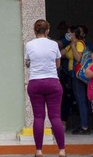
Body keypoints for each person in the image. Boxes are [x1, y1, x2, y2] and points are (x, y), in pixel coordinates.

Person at [24, 19, 66, 157]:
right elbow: (58, 63)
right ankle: (61, 150)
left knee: (38, 117)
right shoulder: (54, 44)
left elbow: (28, 62)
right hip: (53, 82)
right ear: (48, 30)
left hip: (35, 83)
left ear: (34, 31)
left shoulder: (29, 45)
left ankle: (39, 150)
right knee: (55, 117)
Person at [63, 25, 90, 135]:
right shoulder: (71, 44)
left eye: (69, 33)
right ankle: (84, 124)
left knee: (81, 100)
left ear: (74, 34)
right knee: (79, 100)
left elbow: (78, 58)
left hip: (78, 76)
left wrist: (73, 46)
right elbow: (61, 53)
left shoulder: (78, 44)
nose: (67, 35)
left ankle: (85, 126)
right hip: (73, 75)